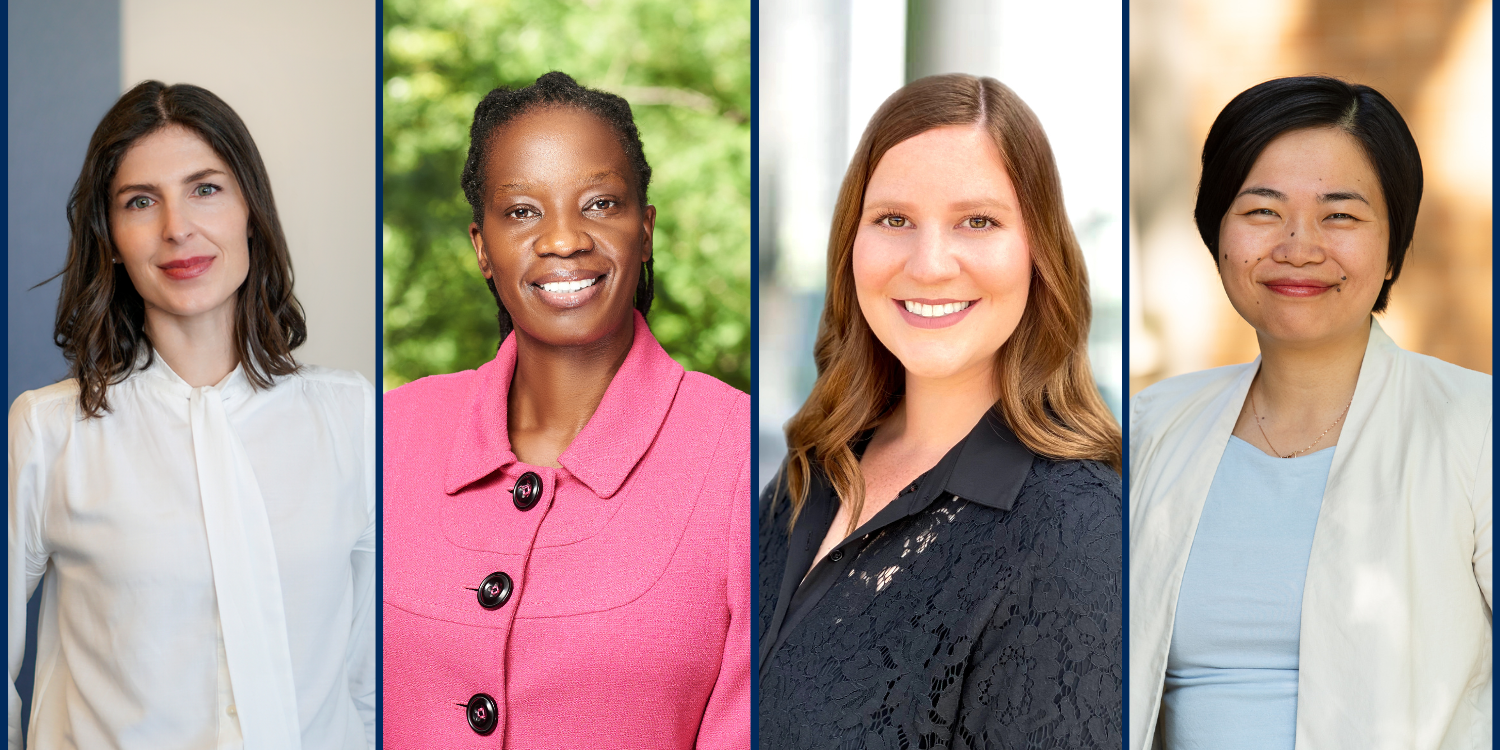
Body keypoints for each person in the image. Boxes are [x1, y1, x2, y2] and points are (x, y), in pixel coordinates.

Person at [381, 72, 750, 749]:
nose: (564, 239)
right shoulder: (387, 434)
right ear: (481, 247)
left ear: (645, 229)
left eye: (601, 203)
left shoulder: (742, 458)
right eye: (523, 211)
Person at [758, 73, 1123, 748]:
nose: (929, 265)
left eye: (977, 221)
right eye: (893, 220)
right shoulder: (812, 470)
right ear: (852, 243)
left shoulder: (1076, 527)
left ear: (1038, 250)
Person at [7, 81, 375, 749]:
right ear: (111, 238)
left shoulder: (354, 420)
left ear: (250, 213)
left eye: (206, 188)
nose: (178, 227)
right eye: (141, 202)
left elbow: (368, 677)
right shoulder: (47, 432)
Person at [1128, 76, 1491, 750]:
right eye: (1263, 212)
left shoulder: (1477, 427)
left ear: (1392, 249)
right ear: (1218, 233)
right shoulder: (1153, 426)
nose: (1299, 246)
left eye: (1340, 215)